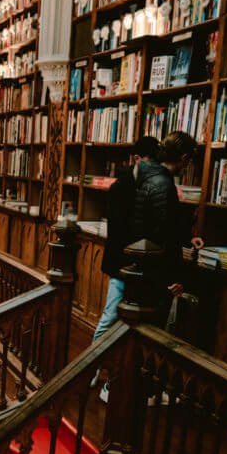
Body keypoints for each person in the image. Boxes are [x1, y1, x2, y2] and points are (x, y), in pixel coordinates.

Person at [92, 135, 159, 341]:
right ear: (137, 159)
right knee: (110, 316)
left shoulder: (151, 185)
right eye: (151, 162)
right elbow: (119, 231)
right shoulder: (121, 187)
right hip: (123, 264)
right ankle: (89, 371)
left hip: (142, 265)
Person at [130, 130, 199, 326]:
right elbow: (163, 235)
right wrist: (174, 279)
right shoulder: (164, 184)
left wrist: (186, 233)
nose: (187, 167)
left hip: (143, 265)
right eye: (188, 163)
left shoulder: (147, 177)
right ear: (184, 158)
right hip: (158, 274)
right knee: (152, 329)